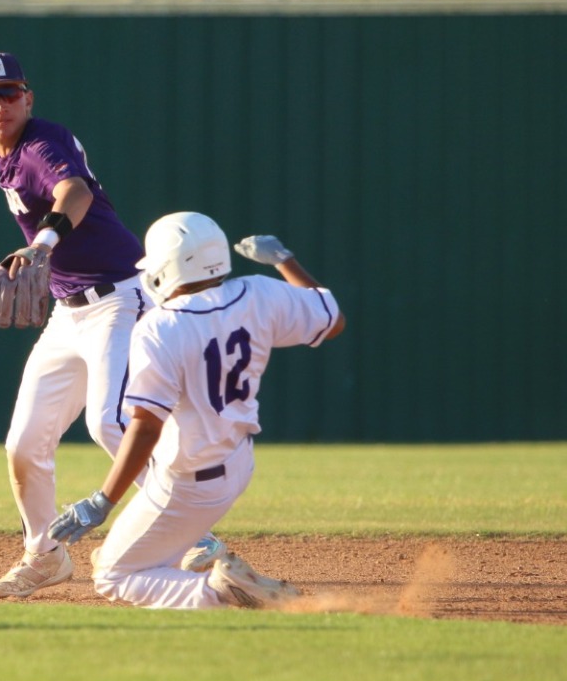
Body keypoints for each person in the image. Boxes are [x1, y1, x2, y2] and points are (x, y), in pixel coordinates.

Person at [0, 53, 148, 599]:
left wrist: (41, 242)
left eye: (9, 94)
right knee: (23, 443)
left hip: (119, 297)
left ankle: (195, 537)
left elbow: (76, 193)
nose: (0, 106)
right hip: (69, 313)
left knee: (110, 423)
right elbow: (0, 149)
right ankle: (44, 554)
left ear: (28, 99)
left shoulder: (44, 144)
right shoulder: (9, 147)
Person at [45, 212, 346, 610]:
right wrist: (284, 260)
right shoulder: (259, 293)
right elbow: (332, 319)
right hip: (237, 463)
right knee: (132, 553)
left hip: (187, 481)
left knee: (113, 575)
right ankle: (204, 578)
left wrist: (104, 499)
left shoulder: (160, 327)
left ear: (168, 268)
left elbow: (145, 428)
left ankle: (221, 592)